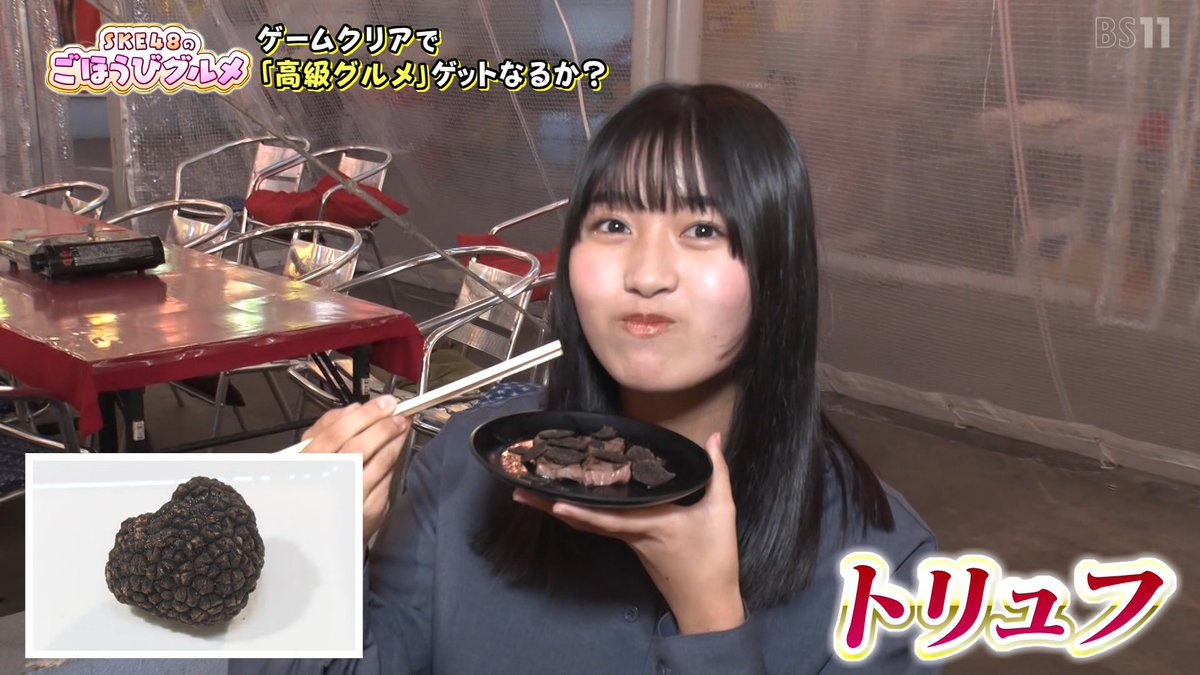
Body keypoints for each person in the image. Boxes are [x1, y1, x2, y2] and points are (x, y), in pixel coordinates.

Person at [231, 83, 938, 674]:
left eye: (702, 231)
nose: (647, 275)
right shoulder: (468, 464)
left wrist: (711, 618)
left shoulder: (884, 561)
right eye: (613, 225)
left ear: (778, 271)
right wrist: (308, 559)